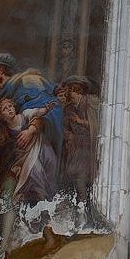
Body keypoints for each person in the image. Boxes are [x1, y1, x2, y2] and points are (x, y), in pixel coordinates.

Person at [0, 97, 59, 253]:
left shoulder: (24, 115)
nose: (10, 109)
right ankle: (12, 241)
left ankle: (48, 231)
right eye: (5, 109)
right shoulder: (3, 131)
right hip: (20, 162)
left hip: (36, 152)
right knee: (16, 194)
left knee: (38, 184)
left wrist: (46, 110)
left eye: (10, 106)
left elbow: (37, 114)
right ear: (1, 116)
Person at [55, 75, 98, 203]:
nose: (69, 94)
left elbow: (98, 126)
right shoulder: (69, 108)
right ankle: (78, 206)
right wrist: (68, 135)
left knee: (81, 178)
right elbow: (65, 127)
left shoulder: (90, 102)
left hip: (87, 148)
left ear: (77, 91)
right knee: (71, 178)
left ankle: (83, 206)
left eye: (70, 91)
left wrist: (81, 121)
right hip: (74, 149)